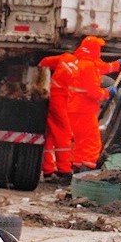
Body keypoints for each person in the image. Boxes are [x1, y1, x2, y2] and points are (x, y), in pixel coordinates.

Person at [68, 36, 121, 171]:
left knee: (79, 142)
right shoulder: (88, 67)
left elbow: (103, 67)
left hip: (75, 108)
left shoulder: (81, 62)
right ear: (94, 49)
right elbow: (93, 93)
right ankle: (86, 171)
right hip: (84, 109)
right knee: (92, 143)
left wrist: (119, 64)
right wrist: (108, 92)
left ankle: (76, 169)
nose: (100, 51)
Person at [38, 49, 84, 180]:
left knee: (51, 135)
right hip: (61, 101)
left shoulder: (66, 58)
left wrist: (43, 83)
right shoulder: (84, 68)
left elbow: (43, 63)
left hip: (53, 97)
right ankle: (64, 169)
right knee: (63, 134)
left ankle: (47, 169)